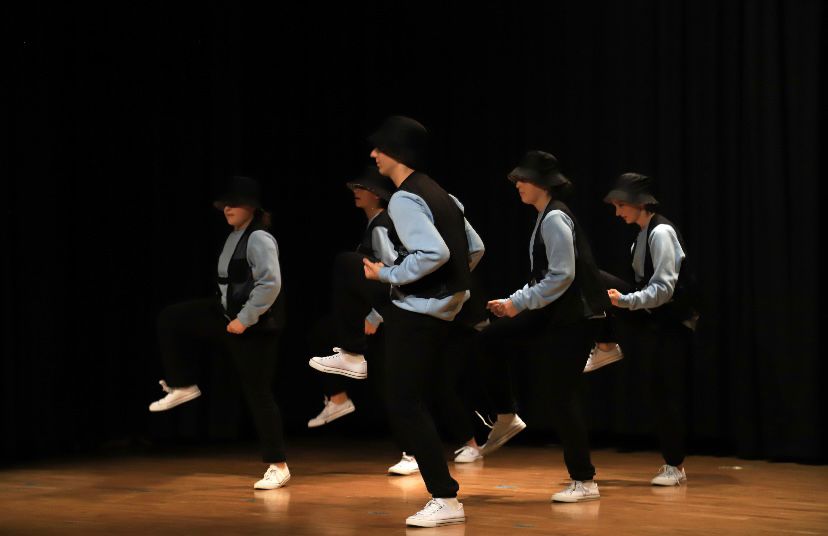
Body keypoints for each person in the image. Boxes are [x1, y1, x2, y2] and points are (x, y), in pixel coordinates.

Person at [362, 115, 484, 527]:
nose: (374, 154)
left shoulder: (403, 199)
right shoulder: (442, 194)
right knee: (416, 398)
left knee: (404, 403)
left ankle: (445, 498)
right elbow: (475, 247)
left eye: (379, 148)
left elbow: (435, 253)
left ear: (396, 151)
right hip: (442, 309)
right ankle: (444, 497)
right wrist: (452, 286)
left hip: (418, 311)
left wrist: (389, 274)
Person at [481, 150, 609, 503]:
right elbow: (545, 275)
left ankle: (584, 480)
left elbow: (562, 275)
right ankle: (506, 415)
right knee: (490, 338)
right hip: (558, 312)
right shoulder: (545, 217)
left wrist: (518, 303)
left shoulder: (554, 218)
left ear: (542, 183)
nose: (517, 185)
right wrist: (513, 301)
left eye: (523, 180)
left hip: (576, 316)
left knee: (561, 396)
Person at [148, 175, 290, 490]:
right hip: (226, 315)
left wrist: (245, 319)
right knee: (172, 318)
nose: (228, 208)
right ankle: (182, 385)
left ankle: (278, 465)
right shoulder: (234, 235)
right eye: (225, 203)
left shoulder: (259, 238)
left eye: (235, 203)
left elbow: (270, 284)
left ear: (251, 207)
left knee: (258, 393)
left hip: (255, 326)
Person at [599, 172, 697, 486]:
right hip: (654, 317)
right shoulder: (641, 235)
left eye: (621, 205)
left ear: (639, 203)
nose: (617, 213)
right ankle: (605, 344)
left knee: (663, 393)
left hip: (671, 319)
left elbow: (664, 289)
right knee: (592, 278)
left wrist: (625, 301)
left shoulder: (661, 233)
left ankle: (675, 466)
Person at [306, 166, 397, 428]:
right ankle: (338, 398)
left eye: (363, 188)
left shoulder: (382, 226)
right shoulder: (373, 225)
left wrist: (376, 315)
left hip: (384, 313)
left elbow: (392, 271)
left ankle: (412, 445)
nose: (356, 192)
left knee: (388, 383)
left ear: (377, 194)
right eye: (356, 187)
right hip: (368, 313)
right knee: (322, 334)